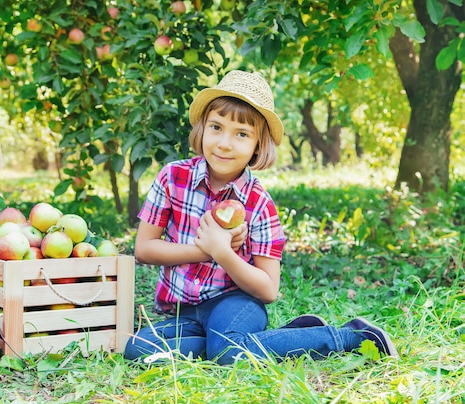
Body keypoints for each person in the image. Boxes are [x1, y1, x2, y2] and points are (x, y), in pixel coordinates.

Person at [123, 70, 398, 365]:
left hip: (235, 303)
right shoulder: (173, 177)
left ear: (258, 145)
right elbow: (144, 249)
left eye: (241, 134)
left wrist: (223, 253)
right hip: (183, 311)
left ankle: (353, 337)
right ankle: (280, 339)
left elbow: (268, 289)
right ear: (202, 128)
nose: (224, 143)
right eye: (216, 127)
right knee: (136, 348)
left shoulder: (258, 202)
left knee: (228, 353)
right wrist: (204, 250)